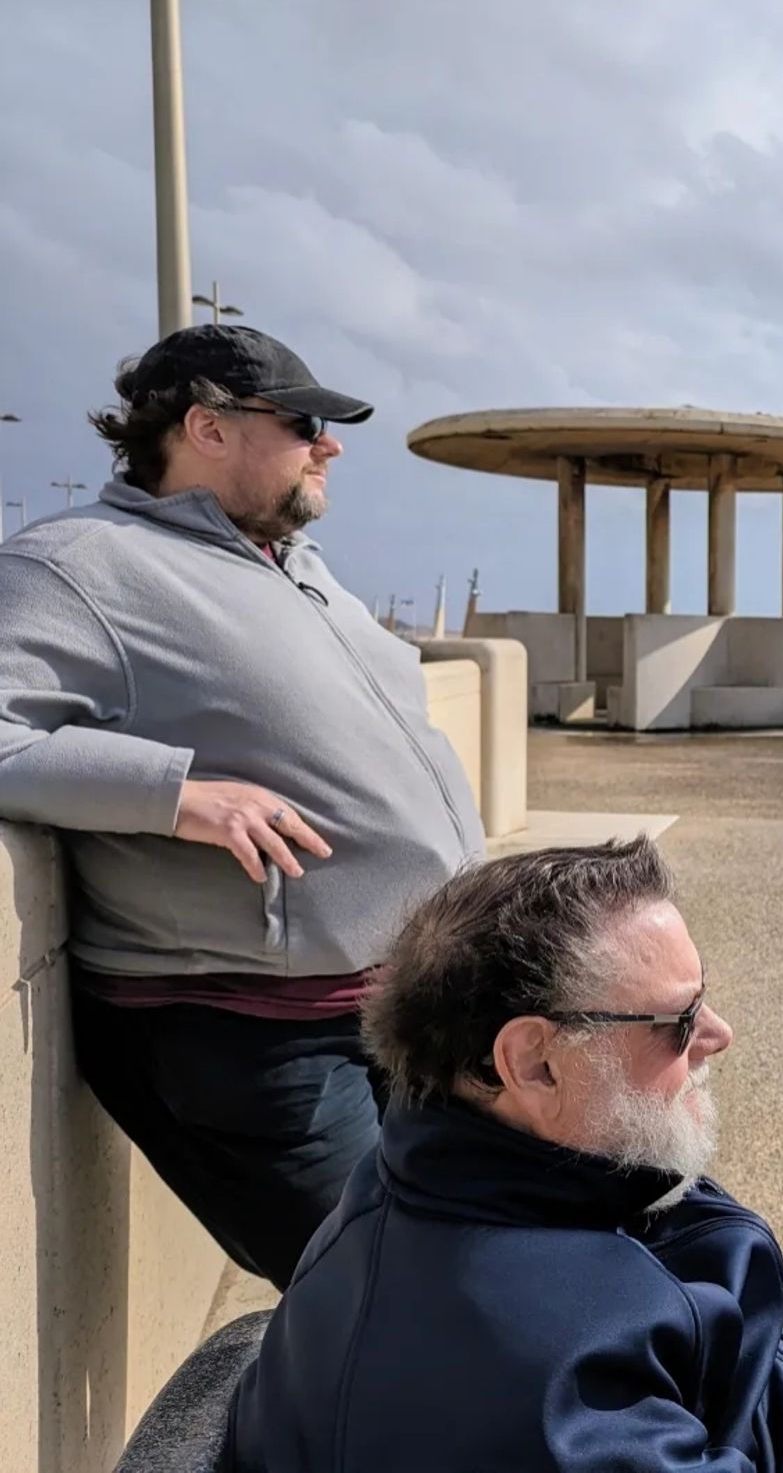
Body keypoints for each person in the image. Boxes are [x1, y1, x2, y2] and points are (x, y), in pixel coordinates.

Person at [228, 839, 783, 1473]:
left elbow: (770, 1295)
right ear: (533, 1061)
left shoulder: (544, 1162)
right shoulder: (546, 1395)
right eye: (678, 1020)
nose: (718, 1035)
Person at [0, 325, 483, 1284]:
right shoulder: (77, 564)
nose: (331, 445)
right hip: (252, 1033)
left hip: (394, 1002)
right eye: (306, 423)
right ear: (206, 428)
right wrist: (175, 793)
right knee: (387, 1293)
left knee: (475, 1261)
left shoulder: (293, 564)